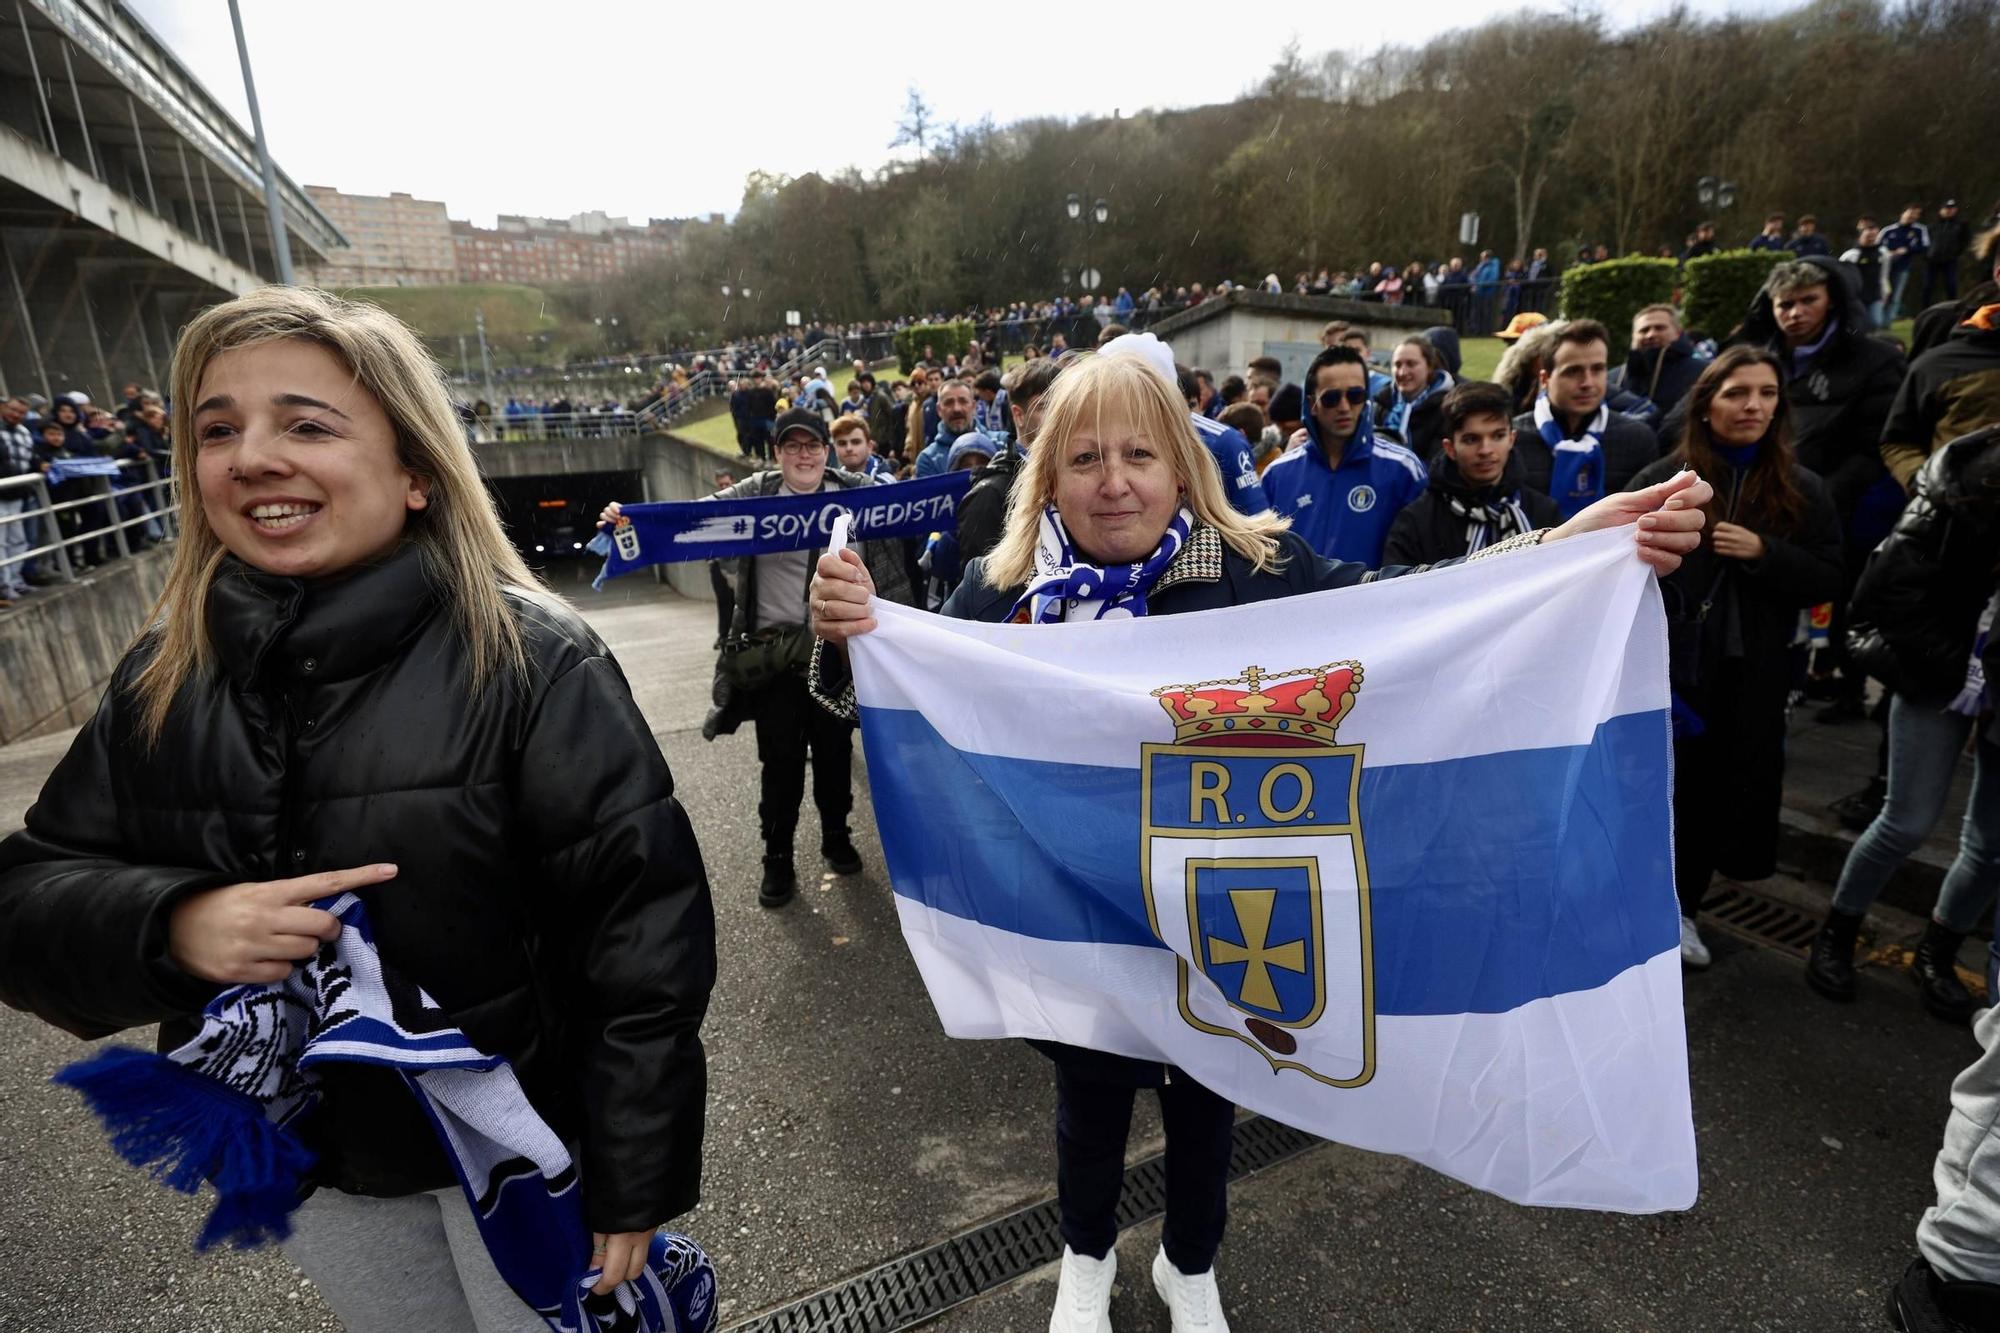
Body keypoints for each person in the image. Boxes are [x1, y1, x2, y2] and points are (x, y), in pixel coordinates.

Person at [806, 350, 1709, 1333]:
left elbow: (1413, 605)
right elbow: (909, 708)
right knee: (1089, 1107)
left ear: (1182, 468)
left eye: (1141, 455)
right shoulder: (1001, 585)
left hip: (1224, 916)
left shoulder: (1258, 570)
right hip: (1077, 918)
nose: (1114, 481)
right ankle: (1086, 1257)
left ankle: (1188, 1266)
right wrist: (847, 633)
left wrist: (1557, 551)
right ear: (1046, 472)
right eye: (1085, 457)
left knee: (1209, 1105)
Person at [0, 286, 716, 1327]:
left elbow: (643, 942)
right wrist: (176, 925)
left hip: (527, 1156)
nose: (249, 456)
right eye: (217, 429)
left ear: (416, 469)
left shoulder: (534, 660)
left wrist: (635, 1169)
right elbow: (22, 899)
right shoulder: (161, 674)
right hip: (322, 1169)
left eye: (304, 423)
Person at [606, 406, 913, 908]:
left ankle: (837, 837)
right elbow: (695, 516)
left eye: (812, 444)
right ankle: (778, 859)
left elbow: (907, 517)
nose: (804, 454)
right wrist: (629, 519)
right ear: (777, 453)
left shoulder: (856, 494)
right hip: (771, 659)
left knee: (835, 756)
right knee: (780, 763)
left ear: (826, 449)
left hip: (832, 653)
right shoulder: (755, 495)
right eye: (792, 446)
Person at [1628, 347, 1844, 968]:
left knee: (1714, 799)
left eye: (1767, 393)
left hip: (1751, 675)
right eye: (1737, 392)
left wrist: (1765, 553)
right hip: (1673, 671)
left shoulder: (1803, 488)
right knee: (1655, 793)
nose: (1753, 406)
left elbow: (1831, 575)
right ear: (1706, 402)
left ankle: (1684, 910)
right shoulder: (1664, 479)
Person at [1810, 424, 2000, 1023]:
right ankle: (1837, 934)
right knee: (1907, 821)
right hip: (1936, 675)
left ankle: (1937, 953)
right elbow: (1893, 601)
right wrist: (1972, 675)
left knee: (1992, 847)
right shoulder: (1957, 489)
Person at [1261, 345, 1428, 567]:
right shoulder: (1277, 474)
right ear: (1312, 404)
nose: (1344, 406)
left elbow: (1422, 560)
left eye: (1355, 395)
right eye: (1331, 398)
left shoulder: (1403, 469)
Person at [1383, 380, 1561, 565]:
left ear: (1511, 438)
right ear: (1450, 448)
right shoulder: (1416, 522)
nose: (1486, 450)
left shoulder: (1543, 511)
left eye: (1498, 436)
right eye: (1471, 439)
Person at [1510, 320, 1663, 517]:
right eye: (1573, 371)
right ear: (1545, 379)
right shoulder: (1514, 439)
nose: (1587, 383)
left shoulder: (1638, 439)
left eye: (1598, 369)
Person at [1616, 305, 1711, 428]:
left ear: (1678, 333)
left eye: (1659, 328)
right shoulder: (1613, 377)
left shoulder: (1704, 372)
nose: (1650, 335)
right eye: (1644, 330)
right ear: (1633, 337)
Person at [1374, 336, 1454, 462]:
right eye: (1397, 364)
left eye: (1411, 364)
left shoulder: (1445, 409)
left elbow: (1436, 465)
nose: (1402, 372)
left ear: (1429, 367)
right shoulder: (1382, 403)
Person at [0, 396, 38, 599]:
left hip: (17, 493)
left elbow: (29, 458)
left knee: (18, 540)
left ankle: (15, 580)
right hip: (2, 492)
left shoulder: (24, 432)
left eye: (21, 412)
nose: (16, 415)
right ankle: (4, 584)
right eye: (13, 410)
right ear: (4, 408)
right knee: (1, 543)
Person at [915, 379, 980, 477]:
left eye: (963, 401)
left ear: (974, 406)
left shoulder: (1000, 443)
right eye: (949, 403)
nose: (956, 409)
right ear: (939, 410)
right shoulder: (928, 459)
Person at [1884, 204, 1932, 321]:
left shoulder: (1919, 230)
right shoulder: (1889, 230)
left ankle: (1887, 321)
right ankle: (1878, 319)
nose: (1912, 216)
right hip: (1884, 268)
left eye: (1916, 214)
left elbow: (1925, 246)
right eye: (1910, 213)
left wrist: (1907, 250)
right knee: (1883, 294)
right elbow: (1877, 244)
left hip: (1903, 267)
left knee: (1896, 296)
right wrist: (1889, 253)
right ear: (1903, 213)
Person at [1841, 217, 1890, 331]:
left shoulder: (1883, 253)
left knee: (1875, 322)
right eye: (1868, 236)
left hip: (1875, 295)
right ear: (1860, 235)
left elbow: (1884, 275)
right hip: (1857, 296)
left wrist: (1885, 292)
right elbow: (1843, 276)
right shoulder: (1851, 255)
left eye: (1874, 236)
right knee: (1857, 324)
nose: (1871, 239)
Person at [1926, 199, 1972, 307]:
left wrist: (1956, 253)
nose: (1949, 211)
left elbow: (1965, 241)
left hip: (1950, 260)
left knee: (1951, 285)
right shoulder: (1933, 225)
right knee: (1928, 286)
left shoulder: (1960, 225)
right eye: (1946, 208)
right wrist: (1927, 254)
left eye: (1951, 209)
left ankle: (1952, 308)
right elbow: (1926, 241)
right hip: (1932, 259)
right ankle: (1925, 309)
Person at [830, 413, 892, 481]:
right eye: (842, 443)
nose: (849, 448)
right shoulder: (833, 482)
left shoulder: (886, 483)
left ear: (869, 447)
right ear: (834, 448)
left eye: (856, 442)